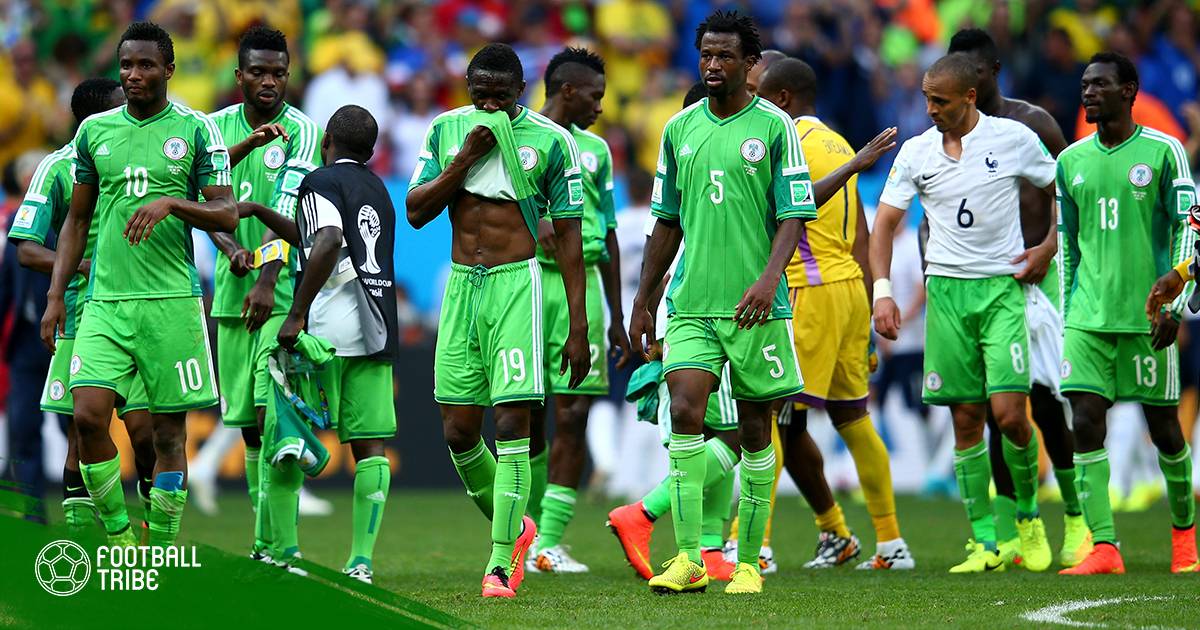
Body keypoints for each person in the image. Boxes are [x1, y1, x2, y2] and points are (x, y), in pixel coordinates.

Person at [629, 10, 893, 595]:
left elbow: (794, 213)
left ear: (750, 64)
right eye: (706, 55)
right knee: (685, 414)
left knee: (755, 429)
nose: (713, 65)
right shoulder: (679, 129)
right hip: (693, 303)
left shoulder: (776, 128)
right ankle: (690, 558)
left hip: (756, 307)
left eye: (725, 56)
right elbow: (666, 221)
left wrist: (770, 281)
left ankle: (748, 561)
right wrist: (644, 298)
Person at [40, 21, 236, 547]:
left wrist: (173, 203)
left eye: (145, 64)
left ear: (168, 69)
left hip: (172, 301)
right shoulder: (94, 131)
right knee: (87, 417)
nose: (133, 74)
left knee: (167, 434)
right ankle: (121, 537)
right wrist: (56, 296)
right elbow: (76, 221)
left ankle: (162, 546)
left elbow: (227, 213)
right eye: (126, 64)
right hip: (104, 301)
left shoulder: (197, 129)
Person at [406, 43, 589, 599]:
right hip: (462, 285)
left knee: (512, 424)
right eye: (479, 94)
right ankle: (516, 529)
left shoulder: (551, 142)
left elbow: (571, 239)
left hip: (516, 285)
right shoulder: (446, 131)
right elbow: (416, 211)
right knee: (458, 430)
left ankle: (500, 562)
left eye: (500, 97)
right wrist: (464, 158)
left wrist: (578, 326)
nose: (489, 106)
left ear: (520, 92)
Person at [870, 52, 1056, 574]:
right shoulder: (917, 152)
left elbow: (1065, 188)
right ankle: (984, 542)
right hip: (947, 295)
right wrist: (882, 292)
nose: (930, 109)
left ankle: (1028, 519)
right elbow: (884, 225)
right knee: (966, 419)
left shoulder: (1012, 138)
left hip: (1001, 290)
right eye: (926, 99)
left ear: (970, 97)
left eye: (940, 101)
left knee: (1011, 416)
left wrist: (1049, 246)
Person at [755, 57, 913, 571]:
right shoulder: (839, 144)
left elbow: (776, 213)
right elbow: (862, 234)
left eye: (759, 94)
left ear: (782, 98)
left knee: (771, 414)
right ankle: (890, 543)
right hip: (847, 290)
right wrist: (866, 309)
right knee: (852, 417)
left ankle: (752, 544)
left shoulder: (786, 142)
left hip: (808, 289)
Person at [948, 28, 1089, 569]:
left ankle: (1075, 519)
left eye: (972, 72)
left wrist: (1050, 248)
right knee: (995, 407)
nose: (963, 83)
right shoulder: (945, 135)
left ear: (992, 71)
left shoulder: (1035, 123)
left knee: (1047, 402)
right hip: (979, 282)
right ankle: (1012, 531)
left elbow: (1071, 192)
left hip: (1039, 278)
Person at [242, 104, 399, 585]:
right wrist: (260, 211)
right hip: (375, 328)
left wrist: (296, 313)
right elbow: (315, 239)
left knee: (287, 435)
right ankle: (361, 562)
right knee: (370, 447)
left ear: (327, 139)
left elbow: (327, 241)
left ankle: (285, 554)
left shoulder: (319, 181)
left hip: (325, 331)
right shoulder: (378, 189)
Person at [1056, 52, 1198, 576]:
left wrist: (1176, 304)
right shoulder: (1070, 161)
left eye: (1100, 84)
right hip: (1087, 319)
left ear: (1129, 91)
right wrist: (1067, 315)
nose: (1088, 92)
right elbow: (1068, 245)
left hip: (1148, 316)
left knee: (1164, 430)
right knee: (1084, 421)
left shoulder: (1165, 152)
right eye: (1084, 84)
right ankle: (1105, 547)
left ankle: (1184, 539)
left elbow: (1189, 226)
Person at [6, 78, 159, 535]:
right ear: (94, 117)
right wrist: (81, 267)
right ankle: (87, 536)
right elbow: (26, 249)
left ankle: (153, 530)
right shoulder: (56, 168)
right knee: (82, 430)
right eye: (120, 105)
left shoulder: (137, 155)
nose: (130, 111)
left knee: (146, 433)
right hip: (81, 315)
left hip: (141, 308)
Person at [198, 25, 323, 563]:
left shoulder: (304, 131)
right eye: (258, 72)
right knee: (249, 429)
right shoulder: (212, 128)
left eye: (278, 73)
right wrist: (230, 249)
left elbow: (291, 207)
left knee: (278, 420)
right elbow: (204, 199)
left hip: (282, 292)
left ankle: (283, 549)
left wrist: (268, 277)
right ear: (239, 76)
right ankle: (264, 547)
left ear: (288, 75)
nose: (269, 81)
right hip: (231, 296)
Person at [525, 46, 632, 574]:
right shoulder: (516, 136)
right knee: (524, 412)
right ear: (568, 90)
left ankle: (548, 541)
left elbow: (608, 232)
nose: (600, 106)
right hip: (525, 280)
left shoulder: (596, 151)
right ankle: (522, 531)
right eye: (595, 96)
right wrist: (534, 219)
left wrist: (616, 316)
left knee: (572, 413)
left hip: (582, 283)